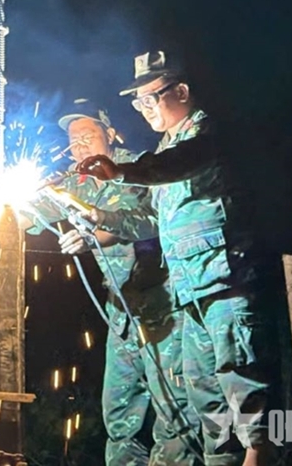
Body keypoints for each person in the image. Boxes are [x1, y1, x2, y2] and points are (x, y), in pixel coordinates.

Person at [77, 52, 277, 466]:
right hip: (190, 293)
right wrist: (100, 217)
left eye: (150, 98)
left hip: (225, 283)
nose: (144, 109)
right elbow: (149, 218)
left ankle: (261, 456)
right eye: (138, 103)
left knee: (244, 382)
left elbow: (177, 164)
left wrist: (122, 172)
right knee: (206, 397)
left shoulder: (206, 135)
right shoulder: (166, 150)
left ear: (181, 91)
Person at [20, 108, 201, 466]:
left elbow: (137, 221)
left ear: (112, 134)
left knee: (172, 405)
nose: (80, 146)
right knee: (119, 410)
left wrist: (93, 237)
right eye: (73, 141)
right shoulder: (75, 180)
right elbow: (28, 213)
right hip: (121, 310)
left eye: (88, 136)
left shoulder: (138, 169)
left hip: (161, 304)